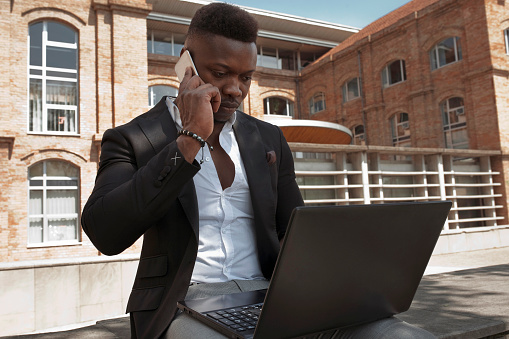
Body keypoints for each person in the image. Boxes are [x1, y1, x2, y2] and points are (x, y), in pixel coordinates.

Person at [82, 3, 436, 339]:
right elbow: (105, 233)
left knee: (396, 333)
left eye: (246, 77)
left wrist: (340, 283)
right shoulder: (133, 138)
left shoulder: (267, 138)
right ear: (185, 65)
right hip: (183, 305)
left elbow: (294, 228)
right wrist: (189, 139)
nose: (236, 89)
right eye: (220, 74)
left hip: (271, 296)